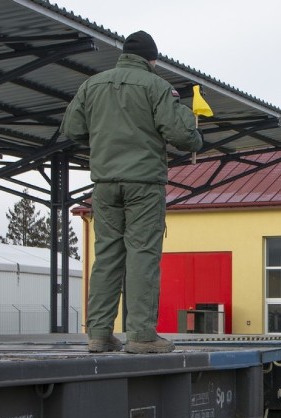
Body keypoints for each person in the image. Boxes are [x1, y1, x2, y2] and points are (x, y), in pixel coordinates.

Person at [61, 31, 203, 353]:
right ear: (152, 59)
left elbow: (72, 129)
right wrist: (191, 127)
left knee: (107, 256)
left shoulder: (91, 85)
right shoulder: (157, 87)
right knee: (142, 255)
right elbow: (182, 135)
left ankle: (98, 334)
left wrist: (104, 136)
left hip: (105, 184)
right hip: (144, 185)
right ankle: (140, 336)